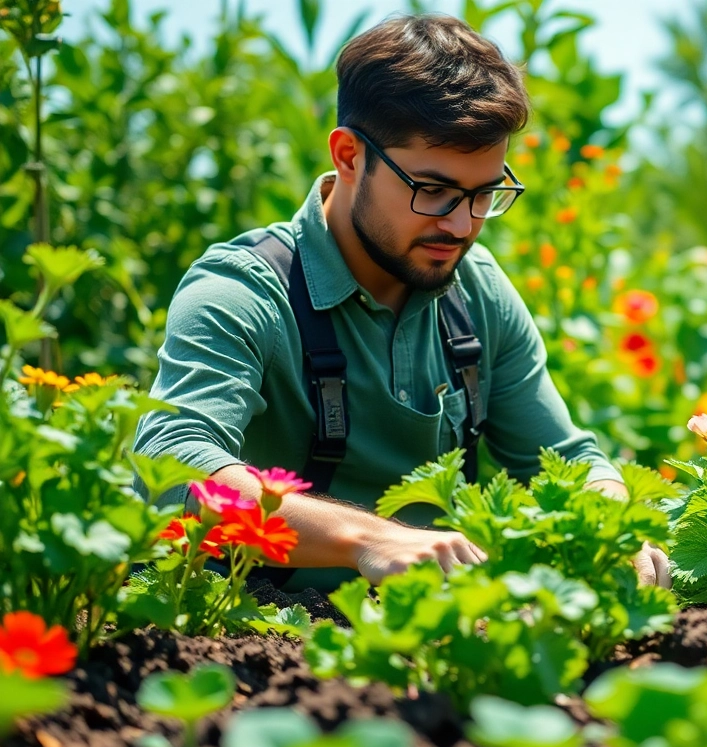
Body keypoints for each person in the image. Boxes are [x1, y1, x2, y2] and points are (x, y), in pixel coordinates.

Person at [132, 13, 669, 593]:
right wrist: (368, 539)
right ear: (348, 156)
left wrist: (616, 523)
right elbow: (171, 468)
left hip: (431, 640)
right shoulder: (243, 293)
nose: (462, 225)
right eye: (432, 191)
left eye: (485, 193)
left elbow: (564, 456)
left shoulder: (477, 293)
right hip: (251, 635)